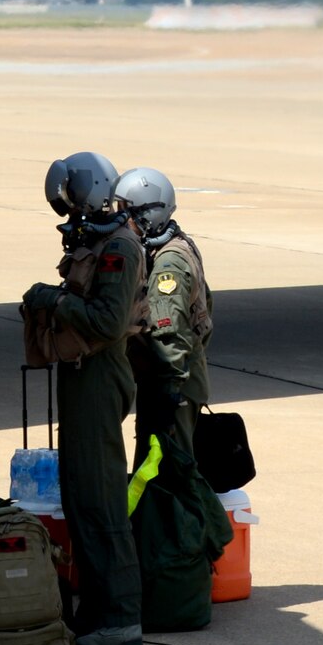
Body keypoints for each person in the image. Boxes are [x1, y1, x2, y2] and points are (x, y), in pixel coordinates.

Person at [22, 152, 146, 645]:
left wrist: (52, 300)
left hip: (98, 374)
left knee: (99, 500)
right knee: (77, 496)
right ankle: (96, 608)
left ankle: (120, 617)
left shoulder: (119, 248)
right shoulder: (100, 239)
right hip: (81, 374)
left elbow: (109, 322)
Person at [114, 166, 213, 467]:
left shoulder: (168, 265)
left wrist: (168, 397)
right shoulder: (171, 246)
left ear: (147, 214)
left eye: (125, 212)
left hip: (173, 388)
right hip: (171, 382)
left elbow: (168, 336)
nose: (120, 219)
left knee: (169, 472)